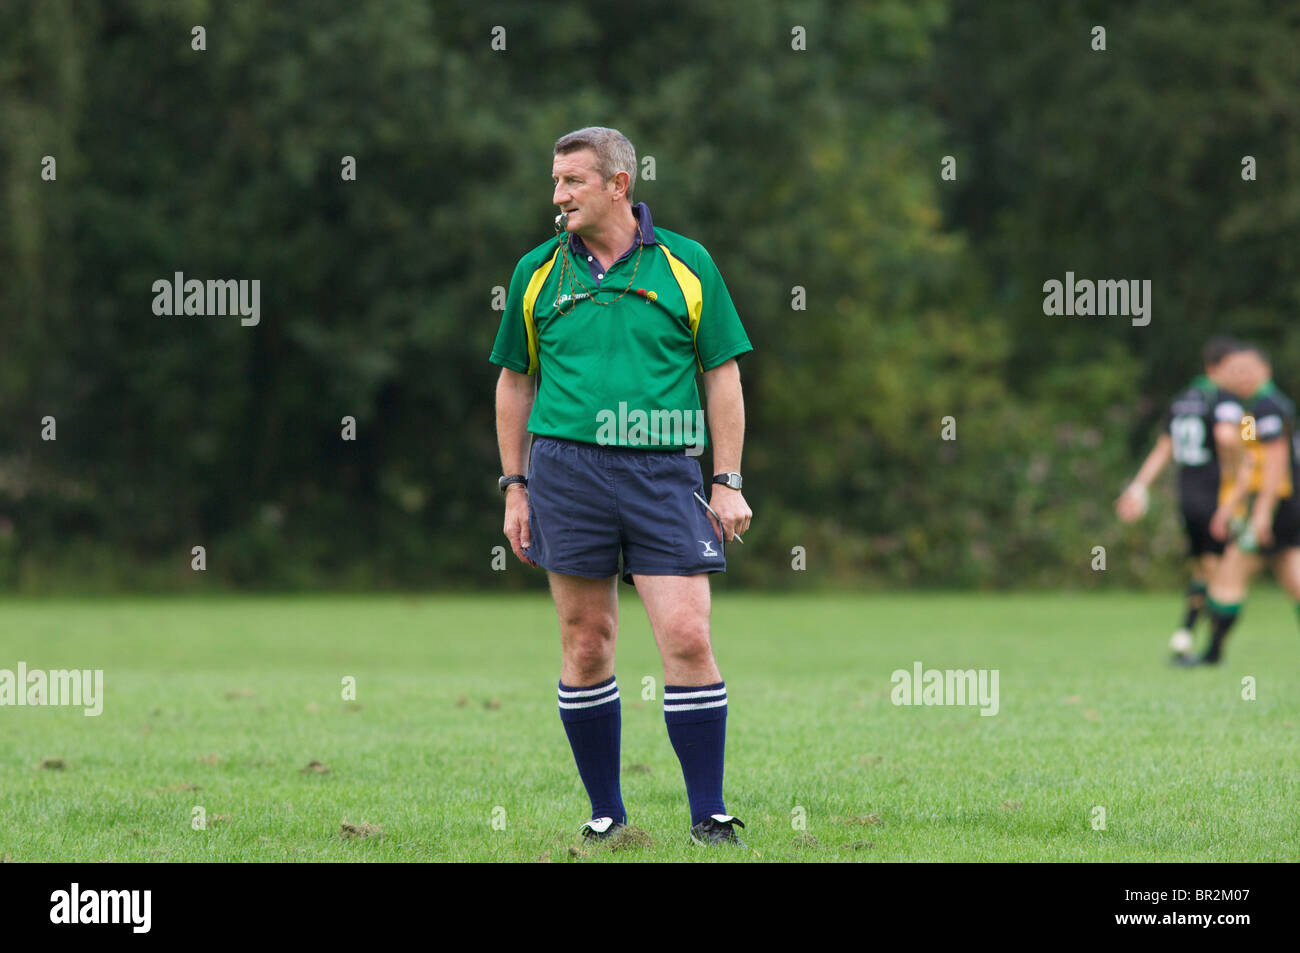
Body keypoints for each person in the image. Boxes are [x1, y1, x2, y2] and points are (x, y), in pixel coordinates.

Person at [490, 126, 755, 845]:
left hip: (664, 472)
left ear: (618, 185)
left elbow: (722, 374)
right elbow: (514, 383)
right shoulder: (537, 271)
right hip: (565, 473)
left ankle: (709, 814)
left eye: (572, 181)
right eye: (554, 181)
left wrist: (726, 480)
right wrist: (516, 485)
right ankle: (608, 812)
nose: (558, 195)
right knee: (586, 641)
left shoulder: (686, 264)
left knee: (689, 635)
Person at [1115, 337, 1244, 659]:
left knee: (1204, 569)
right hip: (1217, 495)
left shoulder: (1183, 399)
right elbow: (1228, 436)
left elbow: (1163, 448)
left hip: (1187, 495)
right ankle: (1212, 649)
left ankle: (1185, 634)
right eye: (1236, 368)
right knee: (1222, 573)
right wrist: (1245, 464)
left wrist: (1138, 487)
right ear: (1217, 367)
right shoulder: (1226, 400)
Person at [1187, 346, 1300, 665]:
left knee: (1228, 577)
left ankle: (1211, 654)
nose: (1242, 376)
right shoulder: (1252, 409)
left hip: (1276, 506)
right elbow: (1252, 464)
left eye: (1248, 369)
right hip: (1280, 506)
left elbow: (1276, 466)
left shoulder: (1267, 407)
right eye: (1235, 371)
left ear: (1266, 370)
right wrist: (1230, 506)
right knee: (1293, 576)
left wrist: (1261, 514)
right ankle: (1211, 653)